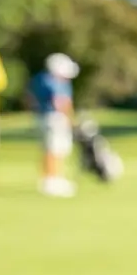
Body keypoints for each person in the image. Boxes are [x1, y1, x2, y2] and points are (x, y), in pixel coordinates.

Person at [26, 53, 80, 197]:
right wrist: (70, 120)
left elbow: (29, 98)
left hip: (43, 117)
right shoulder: (56, 82)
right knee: (55, 150)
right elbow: (61, 102)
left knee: (50, 149)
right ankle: (53, 180)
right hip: (55, 118)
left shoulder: (40, 79)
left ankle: (51, 179)